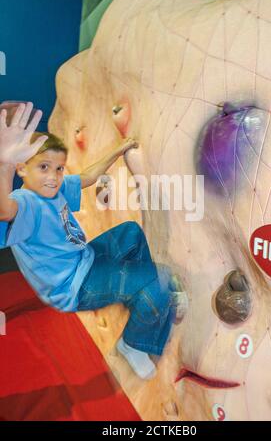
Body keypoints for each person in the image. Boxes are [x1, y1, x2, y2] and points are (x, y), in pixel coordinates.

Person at [0, 102, 187, 380]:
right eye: (43, 167)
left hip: (84, 258)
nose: (53, 176)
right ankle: (133, 343)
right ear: (22, 170)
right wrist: (2, 164)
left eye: (59, 168)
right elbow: (4, 210)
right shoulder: (25, 203)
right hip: (73, 286)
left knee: (131, 233)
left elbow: (87, 176)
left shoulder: (53, 186)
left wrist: (119, 149)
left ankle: (143, 301)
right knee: (159, 279)